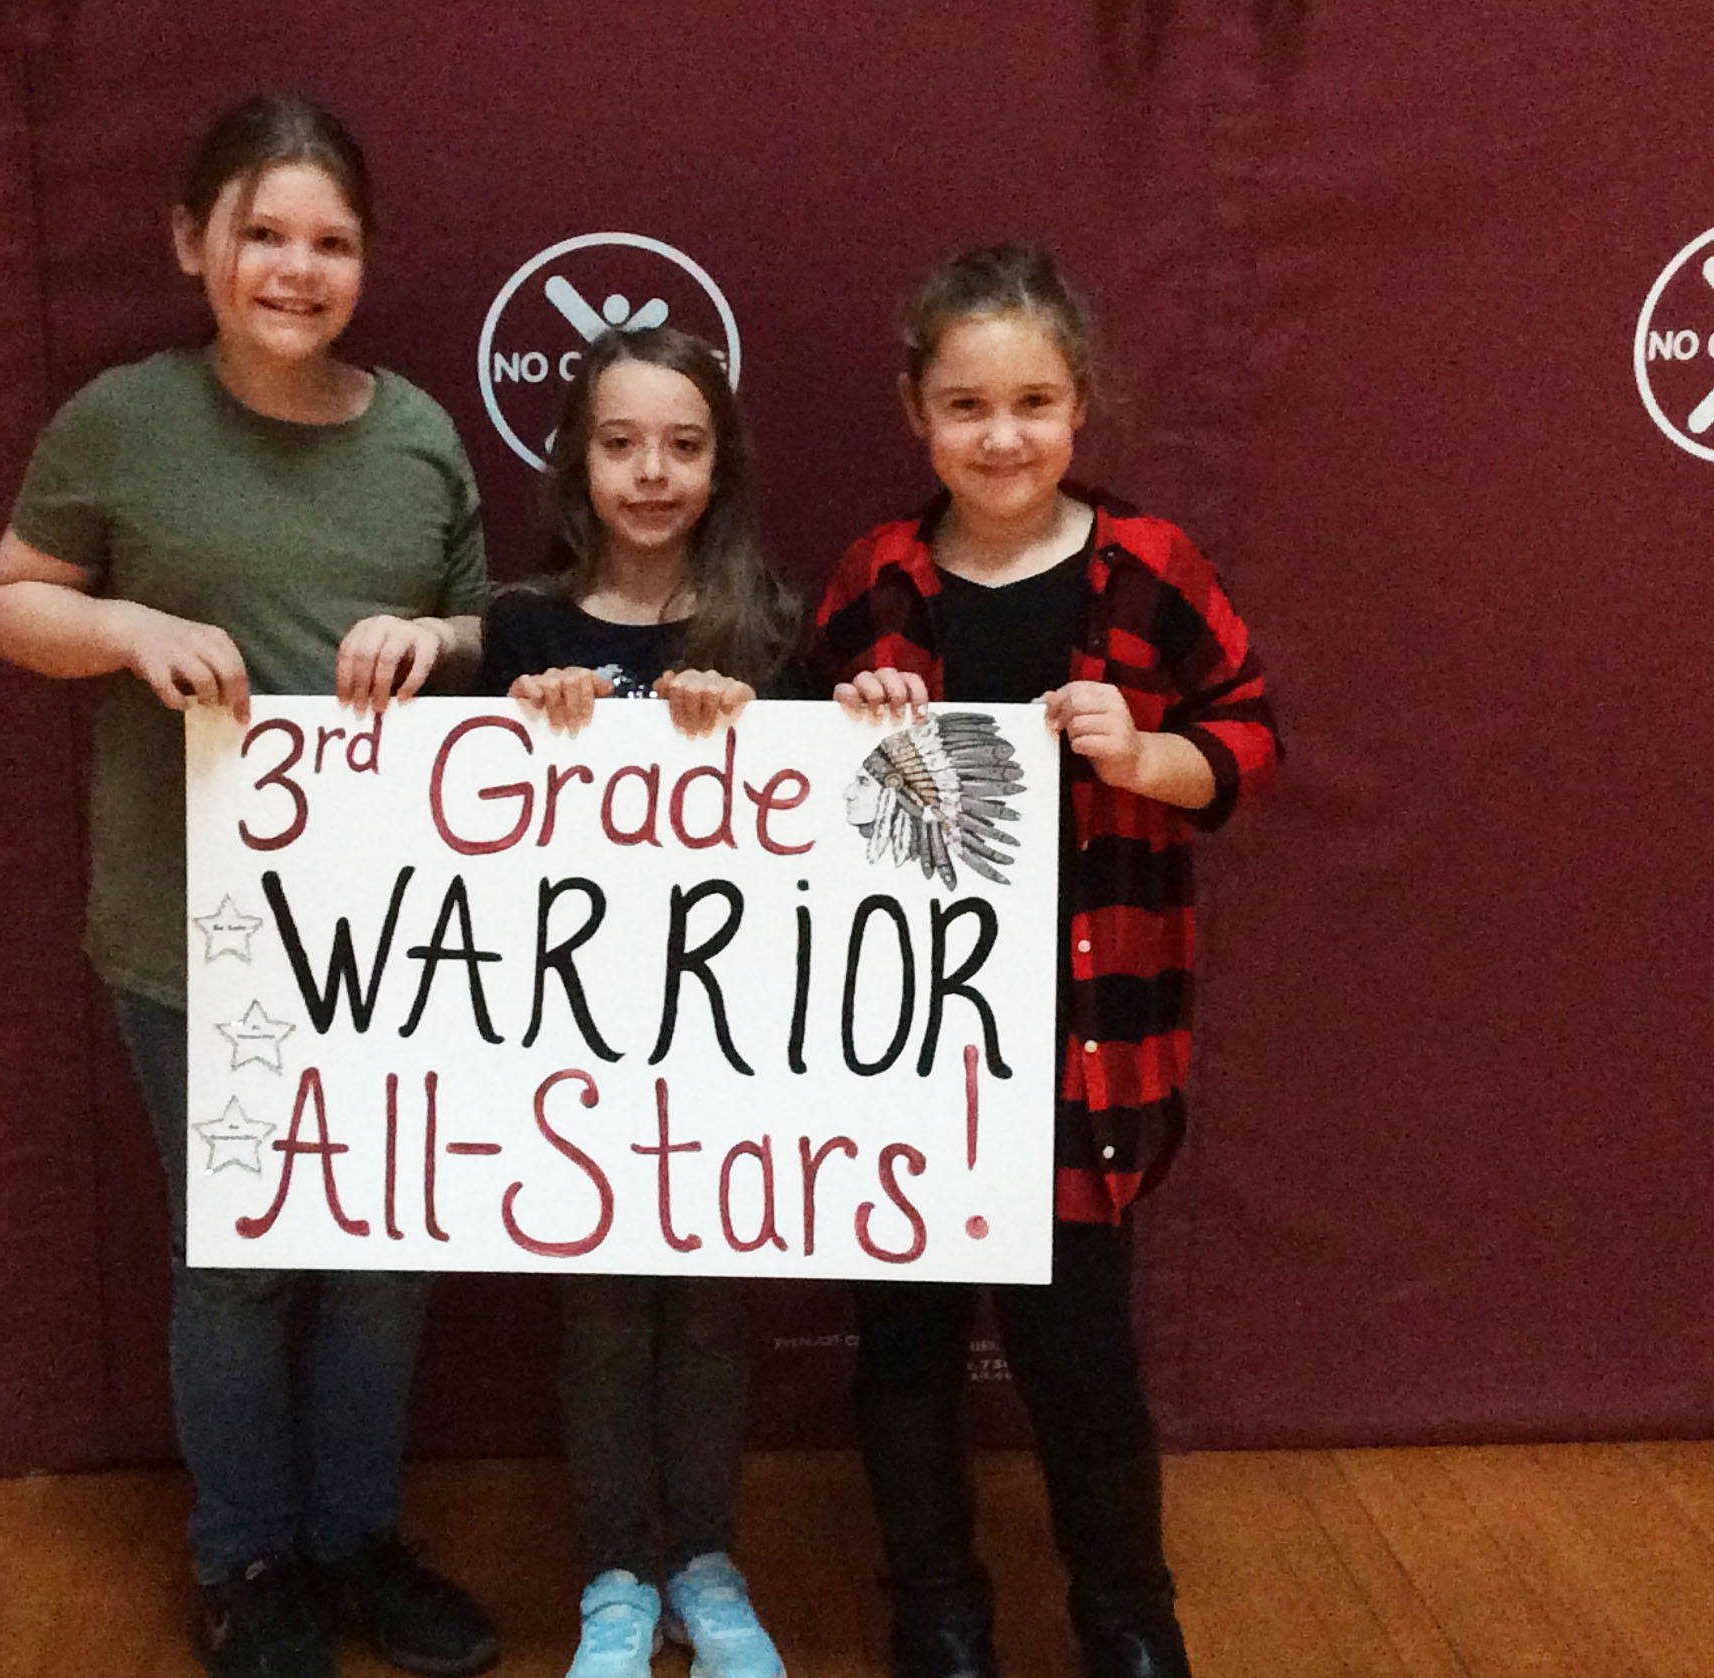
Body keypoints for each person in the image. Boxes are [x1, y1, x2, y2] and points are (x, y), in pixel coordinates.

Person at [0, 96, 497, 1678]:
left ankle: (357, 1539)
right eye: (262, 232)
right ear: (190, 243)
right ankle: (247, 1557)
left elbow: (495, 642)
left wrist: (443, 648)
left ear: (368, 263)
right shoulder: (120, 424)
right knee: (244, 1253)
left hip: (398, 937)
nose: (294, 266)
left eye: (329, 239)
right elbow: (9, 603)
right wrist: (128, 632)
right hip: (192, 933)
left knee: (387, 1253)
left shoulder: (417, 436)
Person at [817, 245, 1280, 1678]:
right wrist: (853, 718)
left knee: (1082, 1361)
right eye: (966, 404)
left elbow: (1250, 733)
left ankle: (1126, 1614)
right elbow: (781, 796)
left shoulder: (1150, 565)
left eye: (1033, 400)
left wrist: (1151, 754)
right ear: (916, 410)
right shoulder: (879, 575)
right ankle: (936, 1609)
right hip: (907, 1062)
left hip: (1088, 1050)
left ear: (1081, 405)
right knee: (901, 1355)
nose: (1000, 435)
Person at [477, 327, 806, 1678]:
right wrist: (531, 711)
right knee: (604, 1307)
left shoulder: (774, 624)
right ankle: (614, 1571)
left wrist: (762, 722)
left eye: (682, 443)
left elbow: (824, 825)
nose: (652, 471)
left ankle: (707, 1563)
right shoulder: (525, 627)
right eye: (621, 442)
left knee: (712, 1305)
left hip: (731, 1041)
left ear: (720, 462)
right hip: (575, 1046)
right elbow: (477, 835)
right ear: (576, 460)